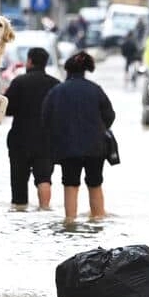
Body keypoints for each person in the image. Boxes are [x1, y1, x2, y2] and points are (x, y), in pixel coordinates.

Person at [42, 51, 115, 224]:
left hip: (67, 147)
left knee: (70, 184)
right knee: (95, 183)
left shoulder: (56, 92)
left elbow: (46, 119)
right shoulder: (95, 90)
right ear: (85, 70)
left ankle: (70, 221)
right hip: (96, 147)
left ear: (67, 70)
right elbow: (110, 116)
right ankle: (98, 219)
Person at [4, 47, 60, 211]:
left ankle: (20, 210)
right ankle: (45, 209)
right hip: (45, 141)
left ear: (29, 61)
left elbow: (7, 109)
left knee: (19, 181)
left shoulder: (19, 82)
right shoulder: (55, 84)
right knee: (44, 179)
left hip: (19, 140)